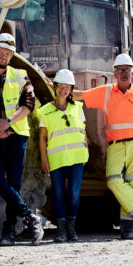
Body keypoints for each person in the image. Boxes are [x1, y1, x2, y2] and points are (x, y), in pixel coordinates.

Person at [78, 53, 133, 240]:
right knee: (113, 180)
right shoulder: (106, 92)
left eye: (127, 69)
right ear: (114, 73)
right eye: (120, 70)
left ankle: (128, 228)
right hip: (116, 145)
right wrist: (61, 87)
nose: (124, 73)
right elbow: (81, 96)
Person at [0, 32, 43, 246]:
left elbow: (28, 104)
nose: (5, 56)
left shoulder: (21, 75)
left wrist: (6, 122)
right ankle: (30, 218)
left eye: (9, 53)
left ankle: (8, 232)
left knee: (14, 184)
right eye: (2, 51)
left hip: (16, 135)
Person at [37, 69, 88, 243]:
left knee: (73, 193)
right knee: (58, 193)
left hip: (76, 157)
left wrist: (85, 153)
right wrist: (44, 158)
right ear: (55, 87)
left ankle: (71, 229)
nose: (63, 90)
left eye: (67, 87)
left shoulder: (78, 108)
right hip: (56, 158)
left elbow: (83, 132)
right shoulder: (45, 111)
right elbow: (42, 138)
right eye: (60, 86)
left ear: (71, 89)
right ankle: (60, 231)